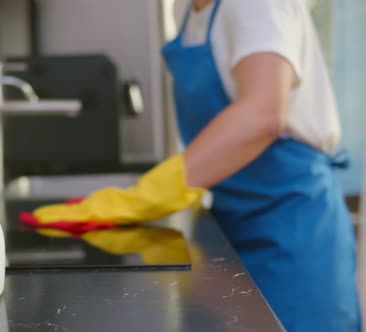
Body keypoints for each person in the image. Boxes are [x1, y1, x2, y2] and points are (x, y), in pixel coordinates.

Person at [26, 0, 361, 330]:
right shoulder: (188, 11)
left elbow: (263, 113)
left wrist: (148, 195)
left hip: (293, 226)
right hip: (234, 218)